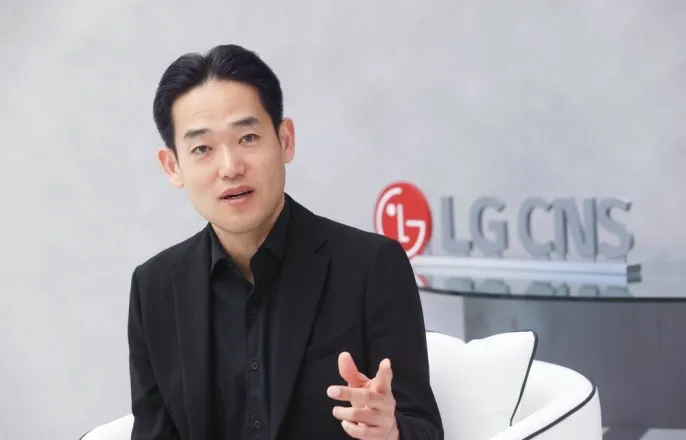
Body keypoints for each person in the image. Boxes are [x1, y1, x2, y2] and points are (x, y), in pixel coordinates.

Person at [128, 43, 443, 440]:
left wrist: (391, 430)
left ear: (285, 139)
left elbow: (424, 428)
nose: (230, 167)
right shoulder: (154, 289)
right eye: (202, 148)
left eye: (247, 138)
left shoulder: (371, 267)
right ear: (173, 166)